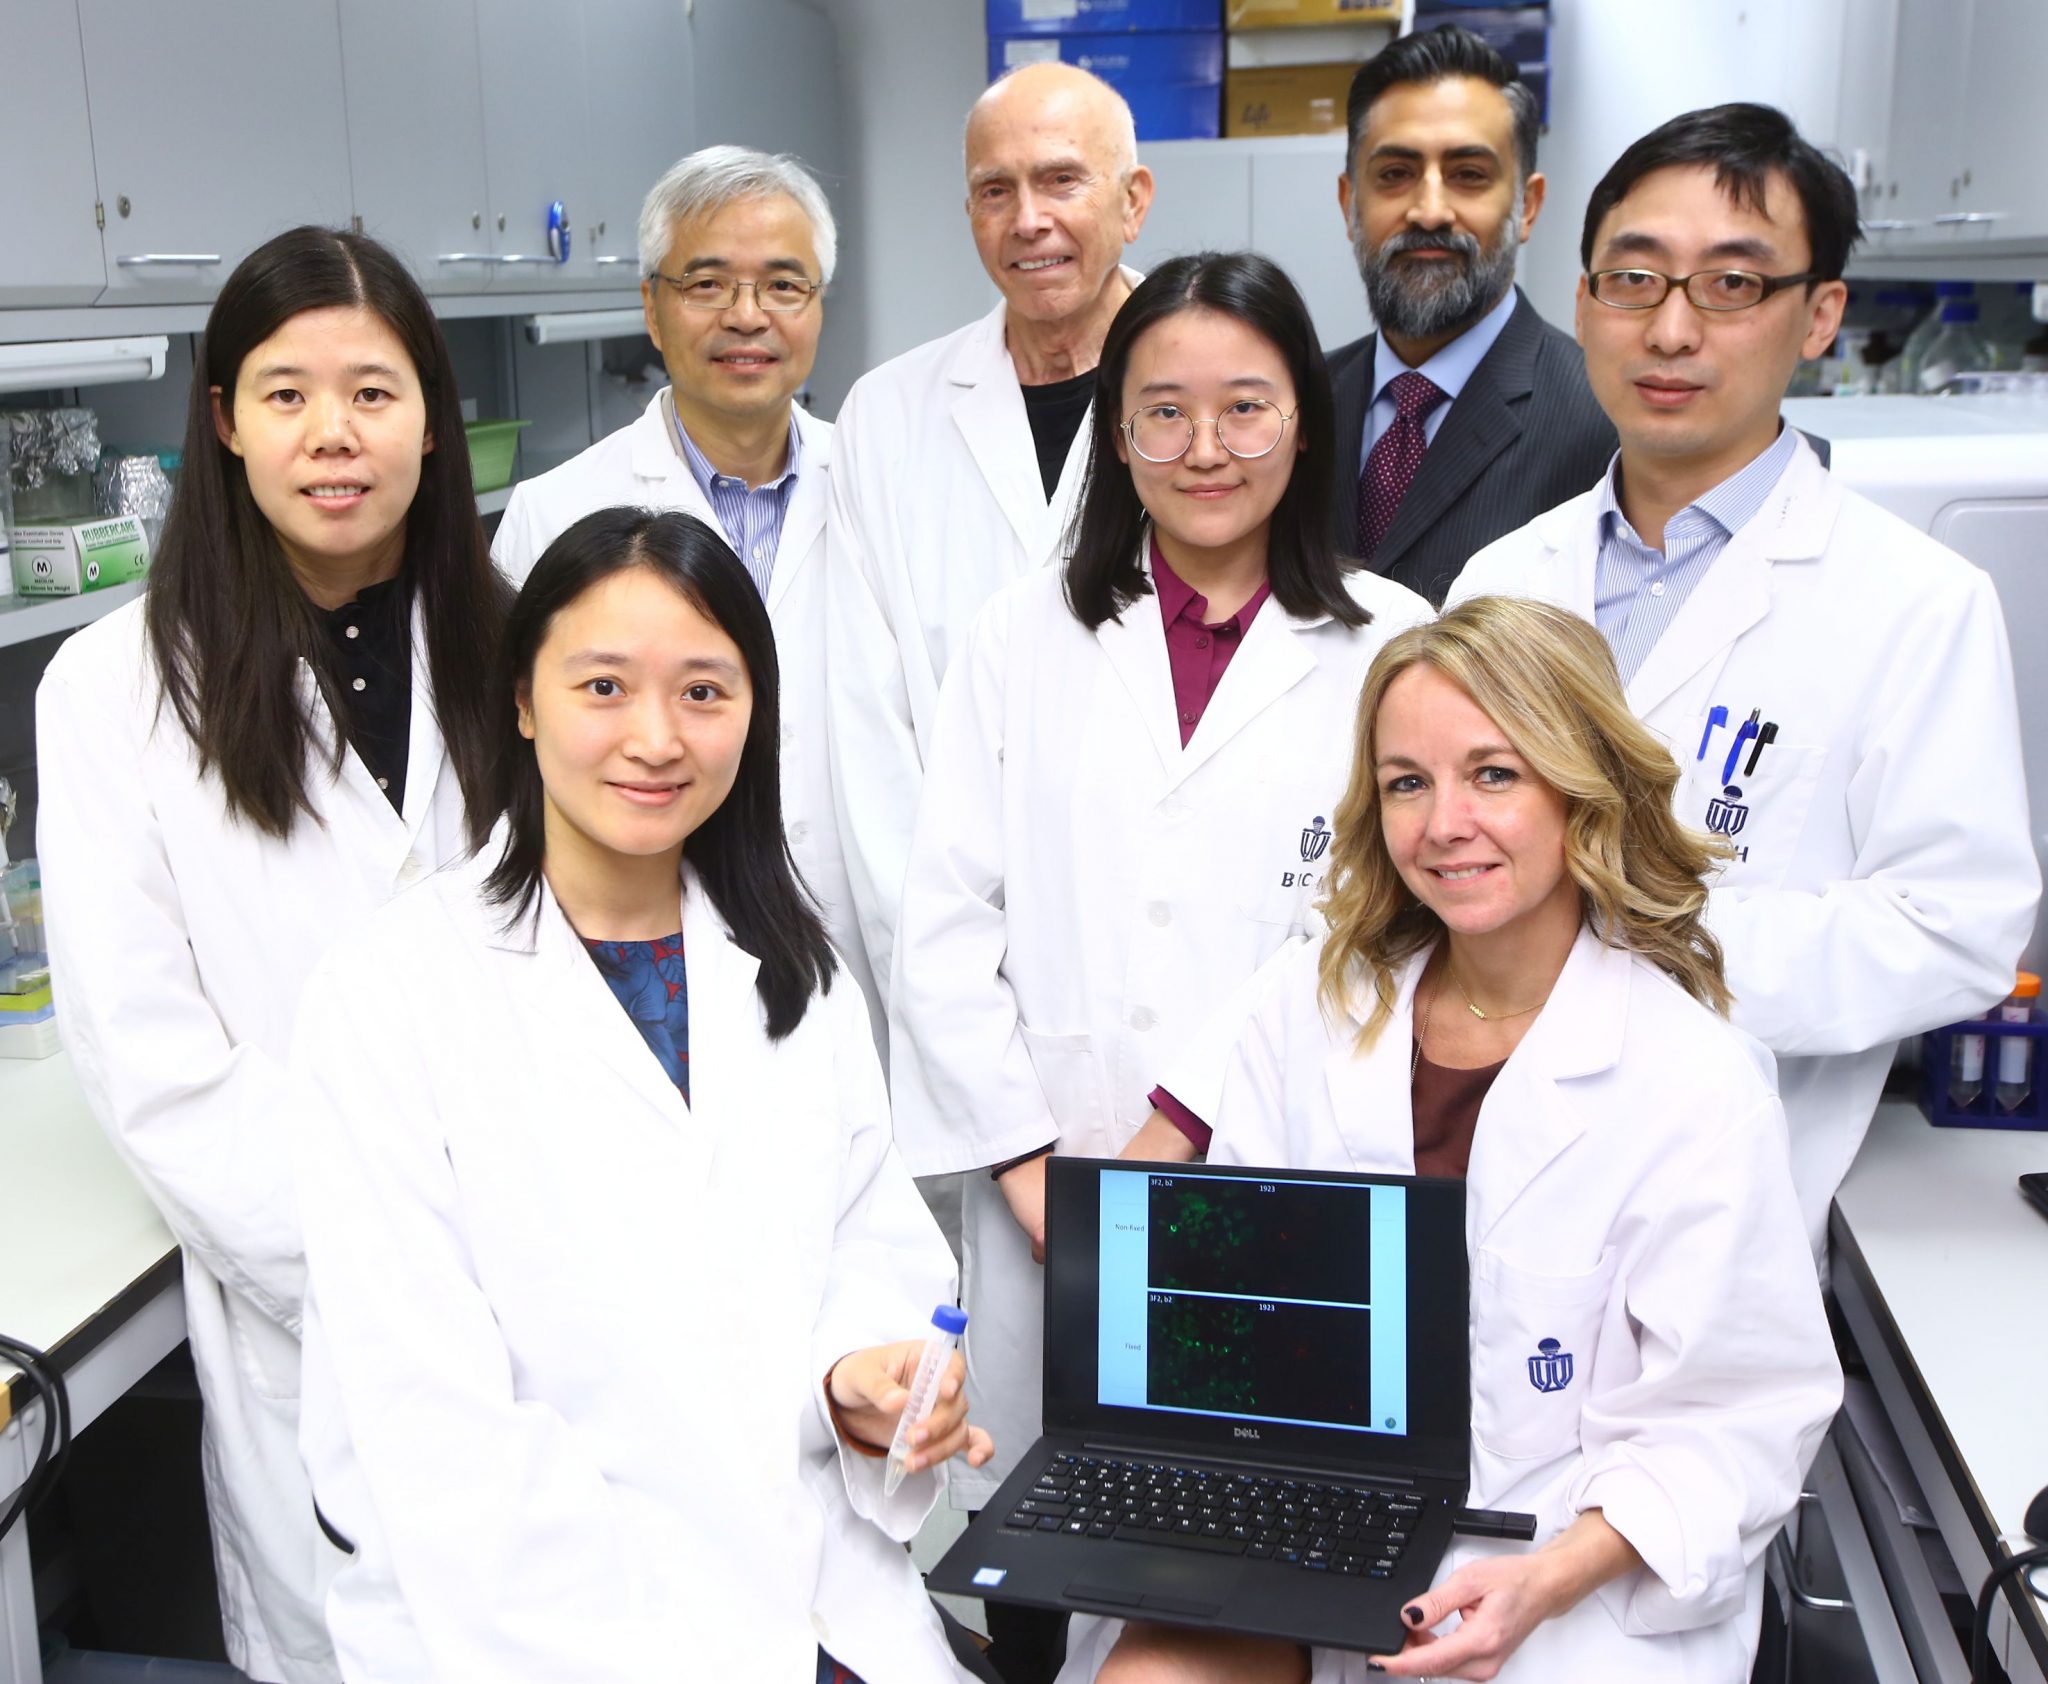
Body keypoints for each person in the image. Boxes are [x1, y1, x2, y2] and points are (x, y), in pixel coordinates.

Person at [1067, 596, 1841, 1684]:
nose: (1443, 824)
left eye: (1492, 774)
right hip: (1309, 1524)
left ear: (1580, 787)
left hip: (1558, 1567)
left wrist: (1548, 1579)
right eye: (1406, 783)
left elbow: (1729, 1423)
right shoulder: (1308, 1006)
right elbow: (1236, 1324)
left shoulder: (1693, 1083)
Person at [289, 508, 993, 1683]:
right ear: (523, 698)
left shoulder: (794, 972)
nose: (656, 738)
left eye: (703, 692)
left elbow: (868, 1253)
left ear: (754, 714)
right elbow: (435, 1434)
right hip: (538, 1637)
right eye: (603, 686)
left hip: (821, 1610)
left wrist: (858, 1383)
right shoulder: (389, 995)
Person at [889, 253, 1430, 1677]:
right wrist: (1037, 1181)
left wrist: (1177, 1149)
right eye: (1163, 411)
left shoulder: (1394, 644)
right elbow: (943, 923)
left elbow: (1397, 936)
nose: (1205, 447)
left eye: (1245, 406)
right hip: (1050, 1189)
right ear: (1115, 433)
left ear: (1303, 423)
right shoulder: (1020, 636)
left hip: (1288, 1199)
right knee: (1052, 1552)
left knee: (1263, 1573)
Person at [35, 226, 509, 1684]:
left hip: (553, 1268)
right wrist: (391, 1271)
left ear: (431, 417)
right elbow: (153, 1062)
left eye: (372, 391)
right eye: (286, 394)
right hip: (320, 1311)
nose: (332, 434)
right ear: (225, 422)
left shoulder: (523, 645)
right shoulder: (114, 689)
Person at [1450, 103, 2040, 1253]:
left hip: (1725, 1218)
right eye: (1633, 279)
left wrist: (1636, 939)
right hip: (1484, 1181)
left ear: (1817, 315)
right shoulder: (1500, 578)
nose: (1670, 330)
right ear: (1582, 302)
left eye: (1730, 285)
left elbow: (1959, 927)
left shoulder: (1915, 602)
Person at [491, 146, 880, 1040]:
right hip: (640, 960)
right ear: (651, 308)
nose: (747, 315)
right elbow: (510, 770)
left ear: (818, 306)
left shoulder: (880, 486)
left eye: (783, 285)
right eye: (707, 284)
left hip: (864, 944)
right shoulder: (556, 511)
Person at [827, 61, 1155, 1002]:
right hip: (946, 952)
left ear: (1133, 201)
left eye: (1062, 180)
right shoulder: (887, 414)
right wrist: (941, 977)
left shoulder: (1218, 409)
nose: (1028, 220)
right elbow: (868, 730)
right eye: (995, 191)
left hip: (1157, 935)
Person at [1326, 25, 1613, 605]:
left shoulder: (1603, 422)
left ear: (1527, 206)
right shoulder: (1294, 403)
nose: (1429, 211)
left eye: (1468, 175)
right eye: (1395, 174)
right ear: (1349, 204)